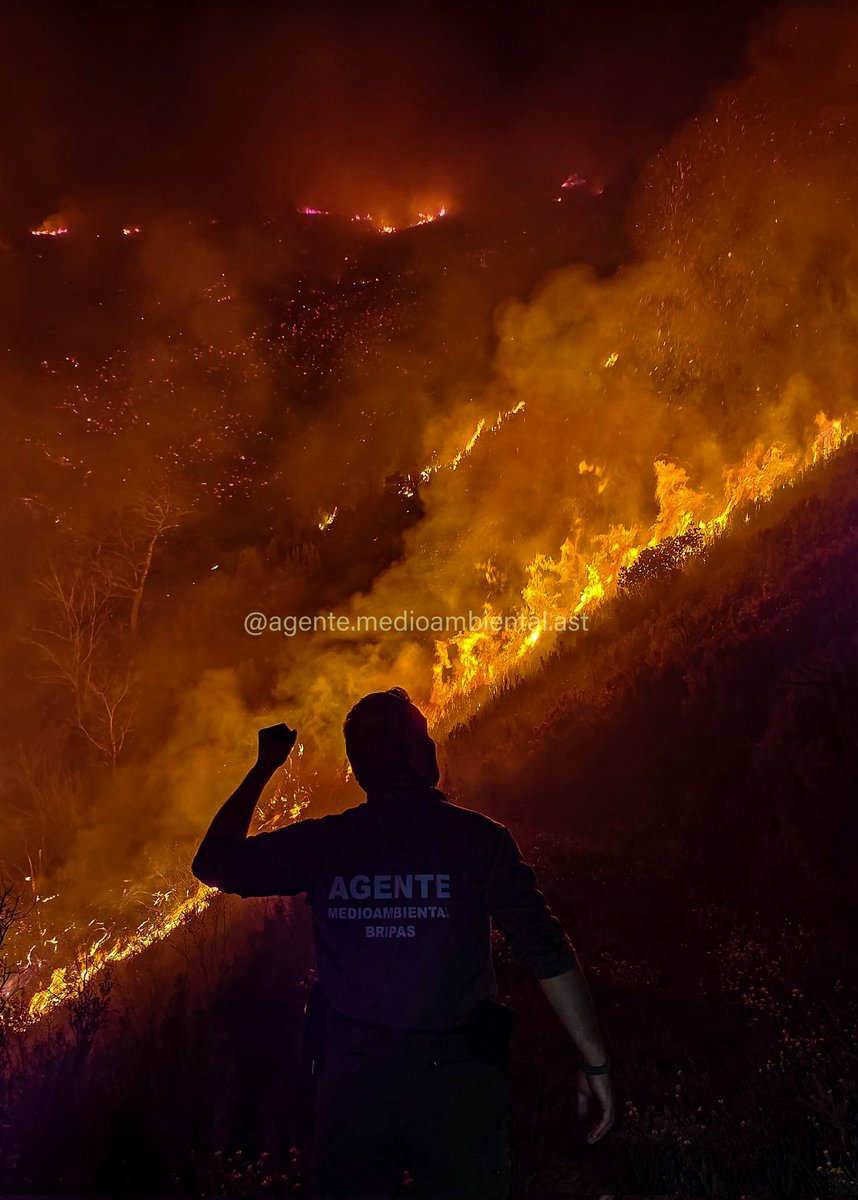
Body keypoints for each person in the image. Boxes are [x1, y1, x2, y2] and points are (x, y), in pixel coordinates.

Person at [192, 687, 614, 1198]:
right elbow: (545, 949)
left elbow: (213, 864)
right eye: (423, 737)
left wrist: (264, 768)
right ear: (417, 754)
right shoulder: (478, 840)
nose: (432, 746)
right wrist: (594, 1060)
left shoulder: (326, 843)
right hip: (455, 1085)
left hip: (354, 1085)